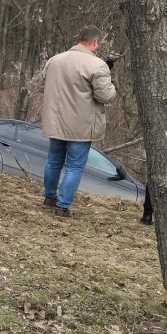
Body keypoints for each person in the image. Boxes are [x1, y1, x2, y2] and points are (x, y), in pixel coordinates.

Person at [41, 25, 116, 217]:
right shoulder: (97, 65)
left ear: (78, 40)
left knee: (53, 161)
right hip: (81, 125)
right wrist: (110, 79)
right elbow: (106, 96)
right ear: (95, 43)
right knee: (74, 166)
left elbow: (43, 85)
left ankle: (50, 198)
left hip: (56, 121)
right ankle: (63, 206)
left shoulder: (54, 60)